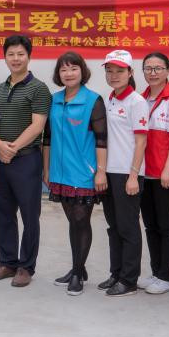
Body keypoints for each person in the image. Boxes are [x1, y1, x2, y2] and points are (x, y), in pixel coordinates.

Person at [0, 35, 51, 288]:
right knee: (3, 212)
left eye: (20, 54)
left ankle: (26, 266)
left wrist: (12, 149)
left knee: (29, 215)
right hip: (0, 159)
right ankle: (7, 262)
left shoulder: (39, 88)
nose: (16, 59)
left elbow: (37, 126)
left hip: (26, 160)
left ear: (29, 56)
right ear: (5, 57)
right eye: (11, 54)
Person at [44, 51, 107, 296]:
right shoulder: (54, 100)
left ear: (82, 71)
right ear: (58, 74)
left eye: (73, 68)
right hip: (60, 173)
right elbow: (47, 139)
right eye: (63, 69)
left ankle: (78, 274)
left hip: (83, 173)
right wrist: (46, 169)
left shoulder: (93, 100)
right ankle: (77, 267)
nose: (68, 73)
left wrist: (100, 172)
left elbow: (102, 140)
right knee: (73, 222)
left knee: (81, 221)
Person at [138, 52, 169, 295]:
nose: (153, 72)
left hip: (168, 174)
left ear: (168, 71)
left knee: (167, 225)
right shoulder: (140, 99)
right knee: (150, 225)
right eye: (148, 68)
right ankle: (155, 272)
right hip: (144, 173)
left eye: (158, 68)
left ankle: (166, 277)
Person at [100, 49, 148, 297]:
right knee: (114, 226)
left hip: (127, 174)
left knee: (128, 227)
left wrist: (133, 176)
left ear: (130, 73)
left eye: (119, 71)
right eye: (110, 71)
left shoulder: (136, 102)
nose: (114, 75)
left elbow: (141, 142)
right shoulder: (110, 98)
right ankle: (116, 273)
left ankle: (129, 280)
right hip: (109, 172)